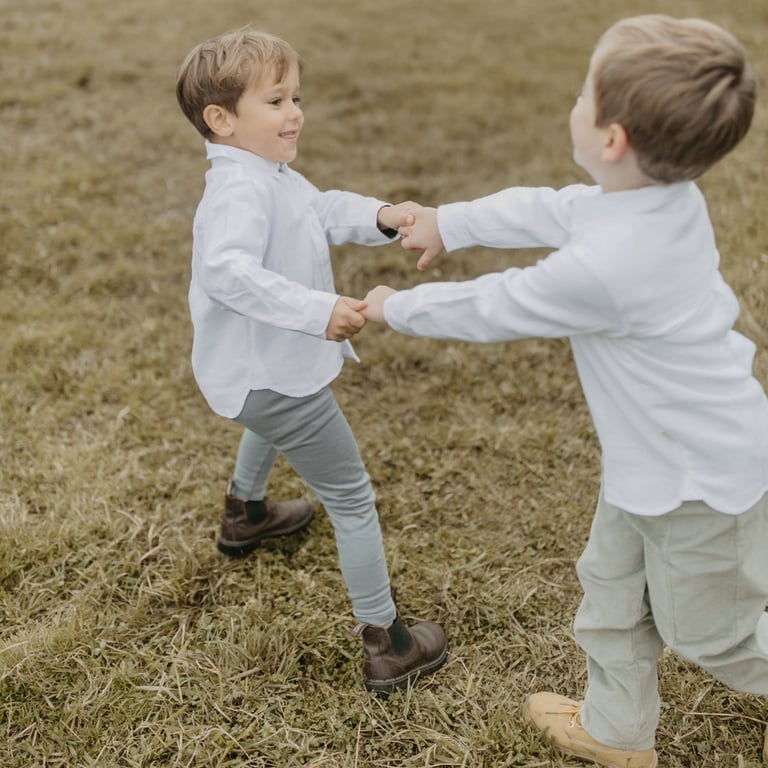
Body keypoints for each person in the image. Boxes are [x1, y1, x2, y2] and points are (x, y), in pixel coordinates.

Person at [362, 14, 768, 766]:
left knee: (716, 636)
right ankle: (618, 732)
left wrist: (394, 307)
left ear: (611, 139)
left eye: (584, 94)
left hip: (698, 482)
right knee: (609, 591)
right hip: (649, 463)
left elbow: (499, 306)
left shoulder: (612, 263)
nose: (572, 104)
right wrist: (448, 223)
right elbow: (546, 206)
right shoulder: (650, 196)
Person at [175, 26, 447, 693]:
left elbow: (319, 209)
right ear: (222, 119)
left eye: (295, 96)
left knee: (269, 423)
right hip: (272, 375)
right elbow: (227, 272)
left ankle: (247, 514)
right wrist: (314, 310)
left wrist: (382, 215)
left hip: (257, 375)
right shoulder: (240, 191)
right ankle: (387, 642)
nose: (294, 111)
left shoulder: (267, 172)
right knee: (352, 499)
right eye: (275, 101)